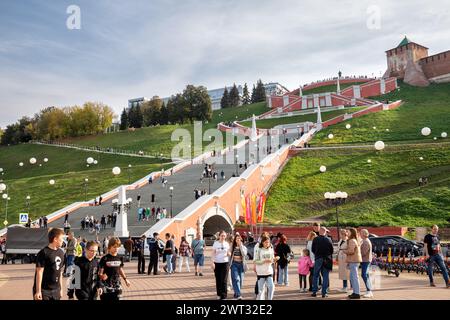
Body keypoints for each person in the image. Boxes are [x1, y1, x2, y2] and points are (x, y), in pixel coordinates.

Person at [33, 228, 66, 300]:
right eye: (61, 238)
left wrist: (61, 289)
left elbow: (59, 271)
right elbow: (39, 272)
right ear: (55, 239)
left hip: (56, 290)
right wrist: (38, 291)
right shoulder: (43, 253)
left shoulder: (61, 253)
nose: (63, 241)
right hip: (44, 290)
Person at [311, 227, 333, 298]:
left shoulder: (315, 239)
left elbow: (313, 249)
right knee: (325, 276)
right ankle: (324, 293)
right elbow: (331, 250)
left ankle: (314, 291)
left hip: (318, 258)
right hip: (326, 259)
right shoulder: (328, 239)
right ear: (325, 232)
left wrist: (317, 254)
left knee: (316, 275)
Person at [254, 235, 277, 300]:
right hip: (261, 272)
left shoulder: (271, 249)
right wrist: (264, 261)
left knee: (271, 286)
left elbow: (272, 259)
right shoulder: (259, 249)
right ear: (262, 242)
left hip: (269, 271)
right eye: (266, 242)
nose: (267, 244)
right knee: (260, 290)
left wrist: (274, 260)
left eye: (268, 242)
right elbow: (255, 260)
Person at [211, 230, 231, 300]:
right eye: (222, 236)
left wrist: (229, 254)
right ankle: (219, 294)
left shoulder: (227, 244)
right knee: (218, 279)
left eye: (224, 236)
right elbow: (213, 253)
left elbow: (229, 252)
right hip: (217, 263)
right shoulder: (215, 244)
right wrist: (212, 262)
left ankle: (224, 296)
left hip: (225, 263)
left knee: (224, 280)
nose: (223, 237)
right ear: (219, 236)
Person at [345, 227, 362, 299]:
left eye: (348, 232)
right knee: (353, 277)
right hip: (354, 261)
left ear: (351, 233)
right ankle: (355, 292)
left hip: (354, 261)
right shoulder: (353, 240)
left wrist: (344, 251)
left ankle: (357, 293)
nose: (346, 233)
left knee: (354, 277)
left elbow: (351, 251)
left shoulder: (352, 240)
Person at [229, 234, 248, 300]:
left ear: (241, 240)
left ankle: (236, 293)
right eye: (237, 239)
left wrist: (240, 246)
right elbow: (229, 253)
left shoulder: (243, 247)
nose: (238, 240)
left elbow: (244, 254)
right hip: (234, 264)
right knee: (236, 279)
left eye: (239, 239)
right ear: (235, 240)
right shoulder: (232, 246)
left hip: (241, 265)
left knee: (241, 281)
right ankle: (239, 295)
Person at [360, 229, 374, 298]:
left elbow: (363, 253)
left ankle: (369, 291)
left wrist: (357, 256)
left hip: (366, 260)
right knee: (366, 275)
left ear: (364, 234)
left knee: (364, 275)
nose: (360, 234)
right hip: (365, 260)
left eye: (361, 233)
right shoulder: (364, 241)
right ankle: (369, 290)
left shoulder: (366, 242)